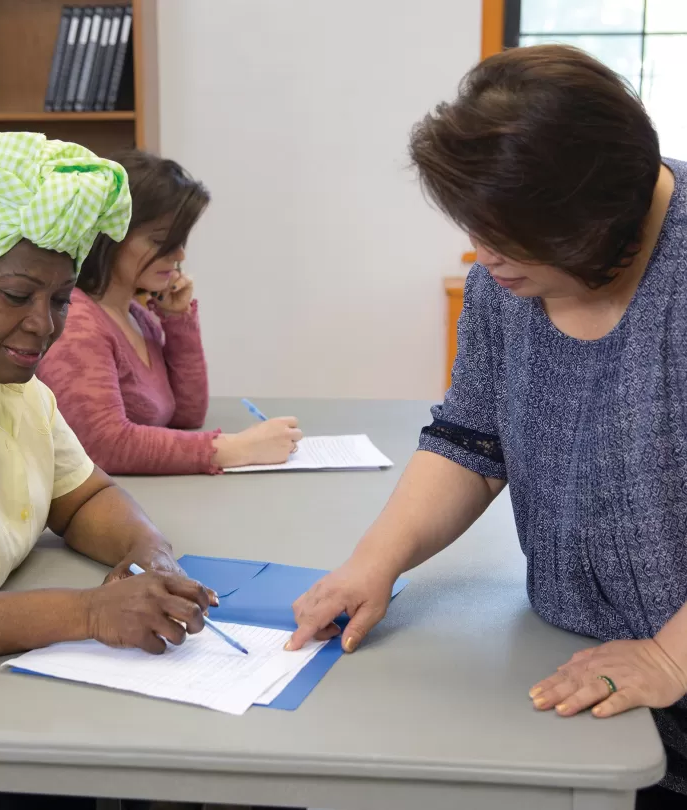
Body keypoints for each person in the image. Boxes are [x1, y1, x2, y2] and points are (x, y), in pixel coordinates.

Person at [286, 45, 687, 808]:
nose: (484, 257)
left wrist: (672, 660)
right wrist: (376, 562)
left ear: (598, 221)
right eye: (478, 229)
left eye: (509, 240)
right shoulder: (504, 277)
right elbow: (472, 438)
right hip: (586, 664)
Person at [0, 131, 216, 809]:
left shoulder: (5, 372)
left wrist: (152, 556)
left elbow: (83, 493)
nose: (44, 325)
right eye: (16, 295)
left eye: (60, 300)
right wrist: (91, 613)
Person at [36, 150, 302, 475]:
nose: (179, 254)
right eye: (161, 240)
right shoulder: (78, 323)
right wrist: (237, 448)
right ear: (107, 238)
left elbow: (187, 414)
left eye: (180, 241)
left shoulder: (138, 316)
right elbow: (103, 446)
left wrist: (178, 321)